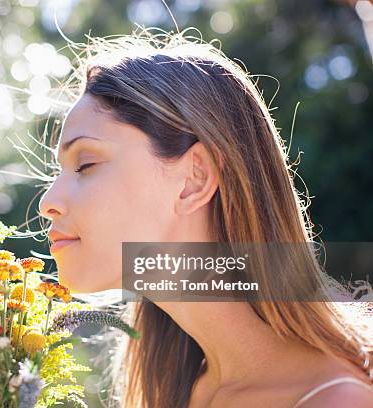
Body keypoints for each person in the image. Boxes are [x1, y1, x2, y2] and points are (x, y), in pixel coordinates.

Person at [37, 29, 373, 407]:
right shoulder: (169, 392)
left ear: (193, 180)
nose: (48, 202)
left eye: (85, 163)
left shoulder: (338, 400)